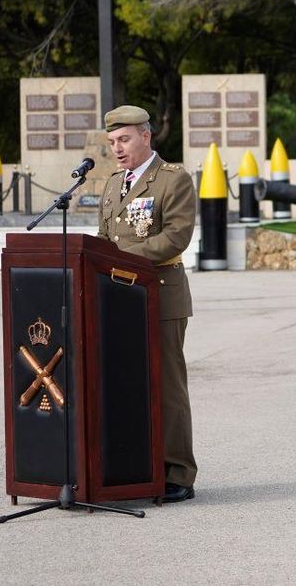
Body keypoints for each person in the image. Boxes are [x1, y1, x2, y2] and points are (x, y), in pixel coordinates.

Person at [99, 105, 200, 503]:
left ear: (146, 136)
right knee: (124, 384)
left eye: (124, 139)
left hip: (161, 294)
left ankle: (177, 473)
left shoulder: (173, 180)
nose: (117, 149)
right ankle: (133, 466)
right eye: (111, 142)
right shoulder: (112, 185)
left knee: (167, 386)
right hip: (118, 298)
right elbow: (102, 238)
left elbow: (176, 237)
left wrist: (123, 253)